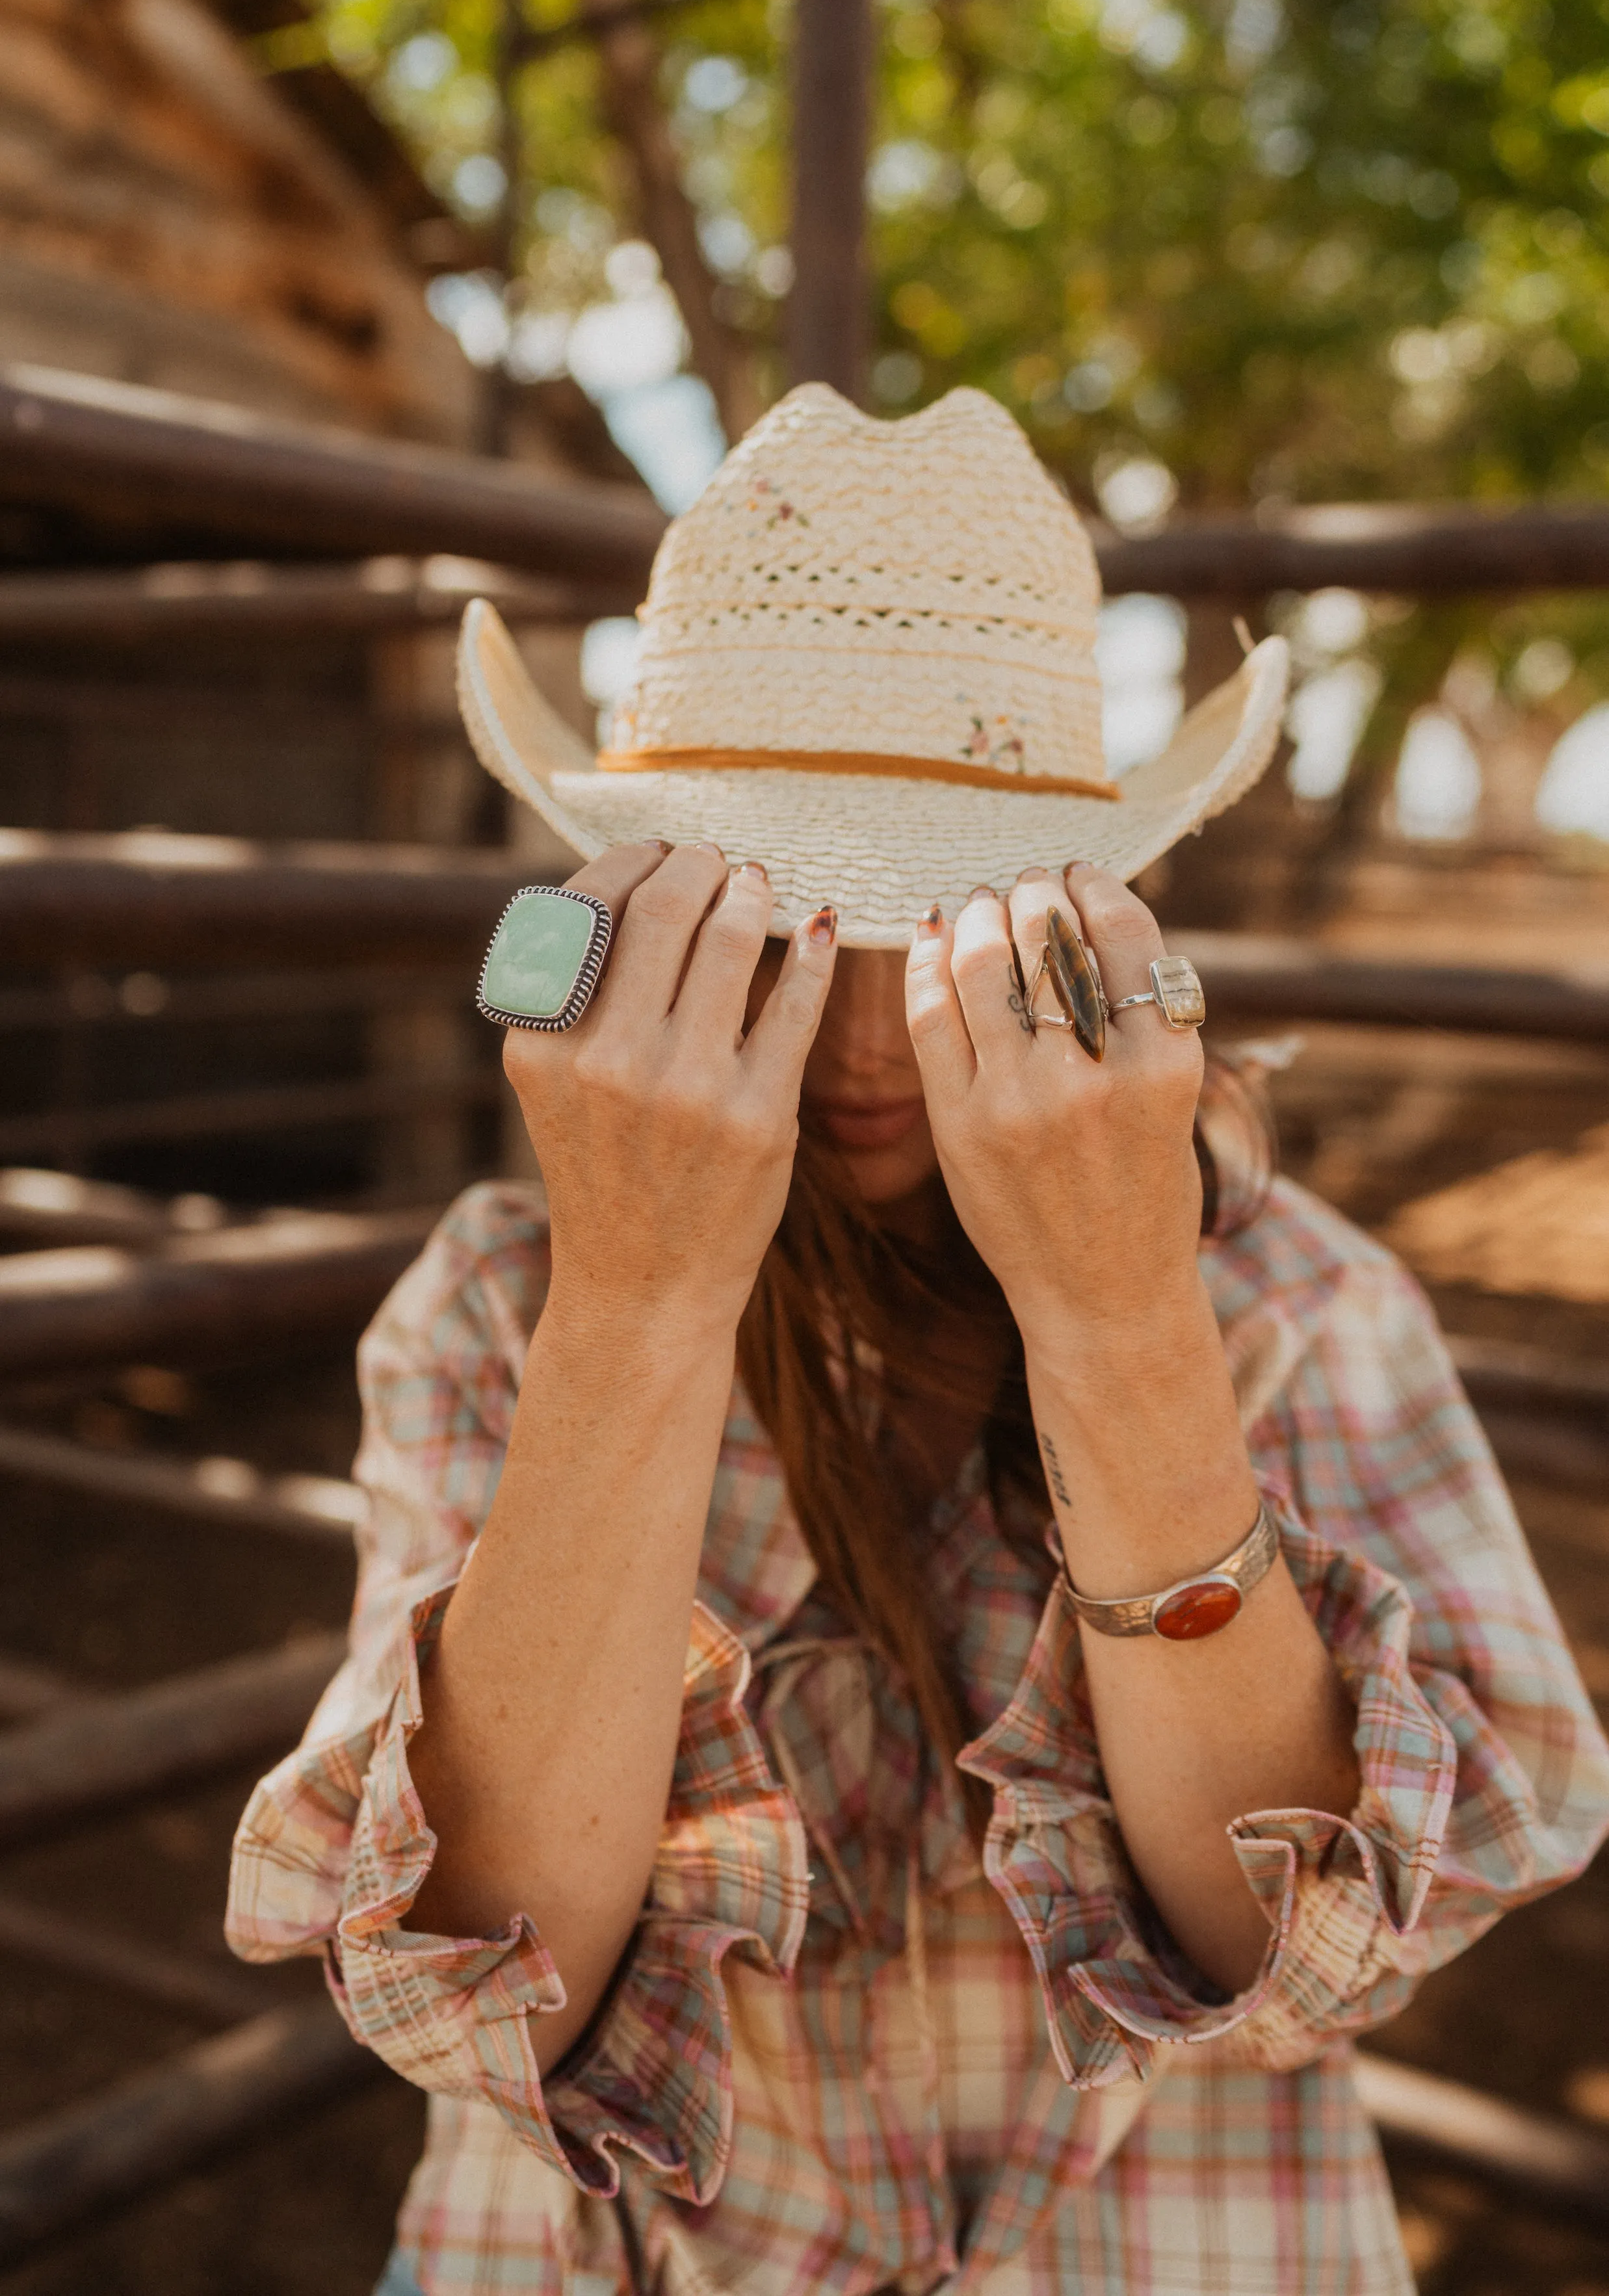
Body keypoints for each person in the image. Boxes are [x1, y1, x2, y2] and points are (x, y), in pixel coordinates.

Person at [228, 387, 1609, 2296]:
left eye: (947, 929)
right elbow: (485, 1996)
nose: (871, 1048)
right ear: (645, 915)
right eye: (785, 925)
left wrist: (1121, 1315)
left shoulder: (1293, 1302)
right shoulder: (499, 1297)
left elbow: (1301, 1959)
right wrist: (638, 1301)